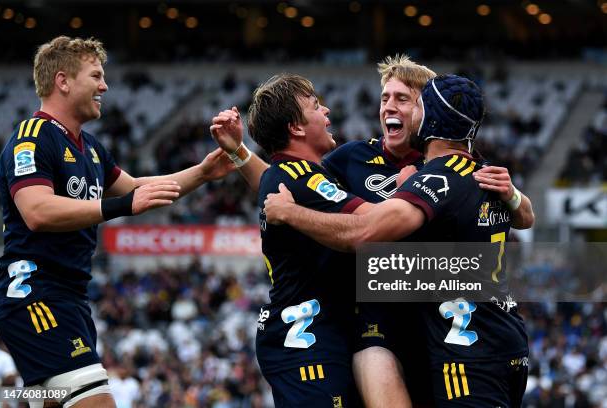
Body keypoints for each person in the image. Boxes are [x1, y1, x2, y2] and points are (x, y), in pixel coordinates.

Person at [211, 55, 534, 407]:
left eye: (402, 99)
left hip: (445, 328)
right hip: (378, 327)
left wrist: (515, 197)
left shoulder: (450, 164)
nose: (389, 107)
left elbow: (521, 215)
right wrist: (242, 155)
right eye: (385, 98)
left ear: (426, 112)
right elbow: (292, 183)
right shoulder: (351, 158)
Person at [0, 36, 234, 408]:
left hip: (71, 299)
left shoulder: (90, 147)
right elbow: (37, 212)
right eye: (96, 75)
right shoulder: (31, 139)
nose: (105, 86)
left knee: (46, 401)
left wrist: (202, 172)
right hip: (34, 296)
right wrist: (120, 206)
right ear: (63, 81)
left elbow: (138, 188)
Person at [214, 73, 366, 407]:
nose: (326, 111)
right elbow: (366, 227)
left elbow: (272, 179)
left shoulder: (287, 175)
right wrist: (418, 196)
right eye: (315, 106)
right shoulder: (302, 176)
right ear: (296, 128)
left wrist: (239, 151)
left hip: (308, 336)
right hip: (308, 341)